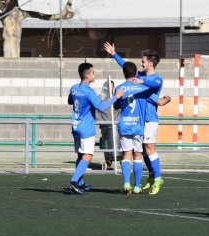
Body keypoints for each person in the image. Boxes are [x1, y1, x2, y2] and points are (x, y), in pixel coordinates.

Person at [104, 42, 171, 195]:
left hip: (150, 118)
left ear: (150, 63)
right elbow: (126, 67)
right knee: (143, 151)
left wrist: (143, 82)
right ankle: (152, 176)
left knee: (149, 148)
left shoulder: (156, 79)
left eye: (143, 61)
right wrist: (114, 54)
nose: (141, 63)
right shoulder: (139, 76)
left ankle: (158, 178)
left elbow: (153, 84)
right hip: (139, 119)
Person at [67, 62, 124, 195]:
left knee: (81, 155)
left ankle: (80, 183)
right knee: (88, 156)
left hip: (76, 125)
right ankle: (74, 181)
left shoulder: (74, 88)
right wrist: (116, 97)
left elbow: (70, 101)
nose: (94, 74)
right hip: (86, 127)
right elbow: (102, 106)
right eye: (93, 72)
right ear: (87, 75)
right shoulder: (89, 92)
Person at [114, 61, 152, 194]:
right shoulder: (143, 88)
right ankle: (137, 186)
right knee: (137, 154)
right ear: (136, 73)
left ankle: (126, 184)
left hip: (124, 124)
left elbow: (116, 106)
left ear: (123, 73)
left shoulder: (119, 87)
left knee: (126, 154)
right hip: (138, 125)